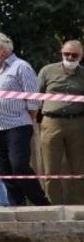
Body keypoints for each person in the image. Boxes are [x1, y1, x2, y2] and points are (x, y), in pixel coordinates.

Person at [0, 32, 49, 206]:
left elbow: (33, 99)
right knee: (4, 171)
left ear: (2, 49)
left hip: (17, 125)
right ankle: (17, 205)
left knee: (19, 165)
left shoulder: (21, 67)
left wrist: (29, 121)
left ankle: (41, 202)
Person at [37, 40, 84, 205]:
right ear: (61, 53)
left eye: (74, 55)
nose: (70, 57)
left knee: (80, 170)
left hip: (78, 124)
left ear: (81, 56)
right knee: (51, 171)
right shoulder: (47, 71)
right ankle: (52, 208)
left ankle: (80, 208)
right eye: (67, 54)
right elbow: (36, 97)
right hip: (51, 123)